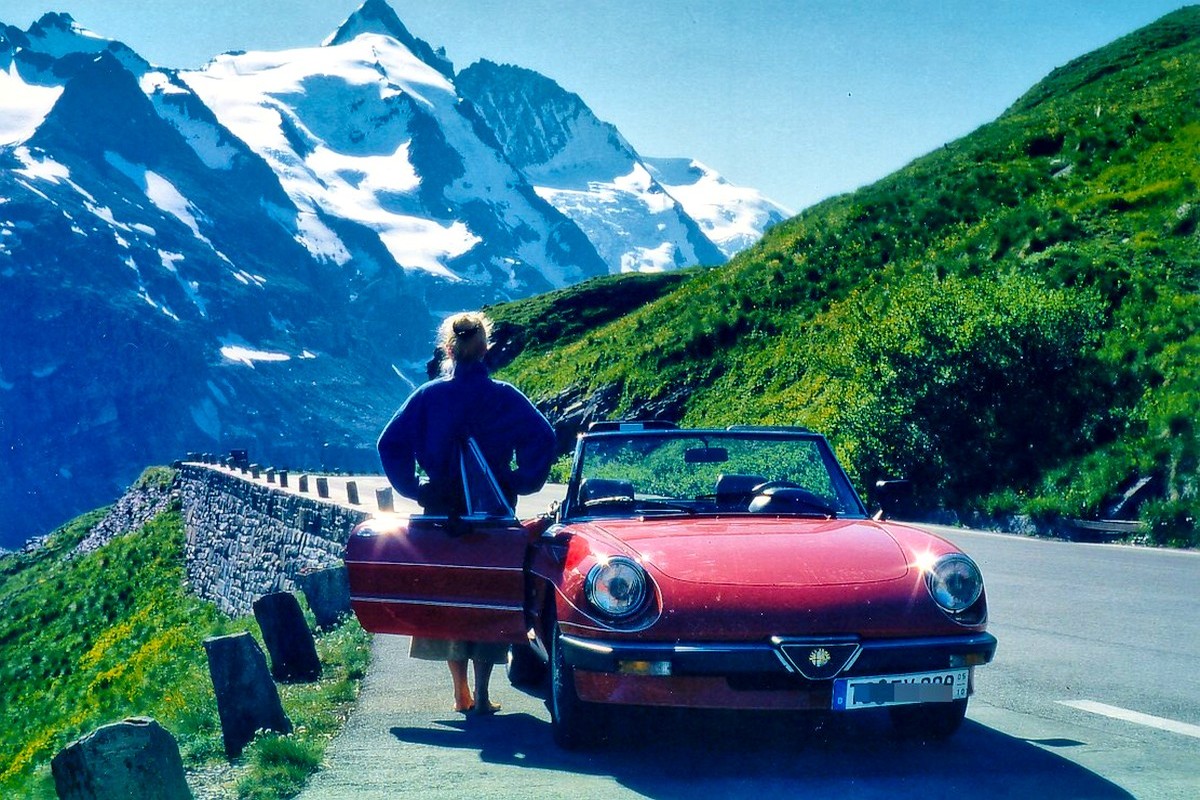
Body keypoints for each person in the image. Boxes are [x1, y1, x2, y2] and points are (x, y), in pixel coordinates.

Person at [377, 311, 555, 714]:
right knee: (487, 599)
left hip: (441, 516)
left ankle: (459, 691)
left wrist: (415, 488)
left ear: (447, 349)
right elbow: (543, 436)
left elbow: (389, 444)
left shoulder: (427, 398)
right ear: (486, 349)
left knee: (449, 600)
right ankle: (482, 691)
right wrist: (519, 480)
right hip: (492, 515)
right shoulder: (505, 396)